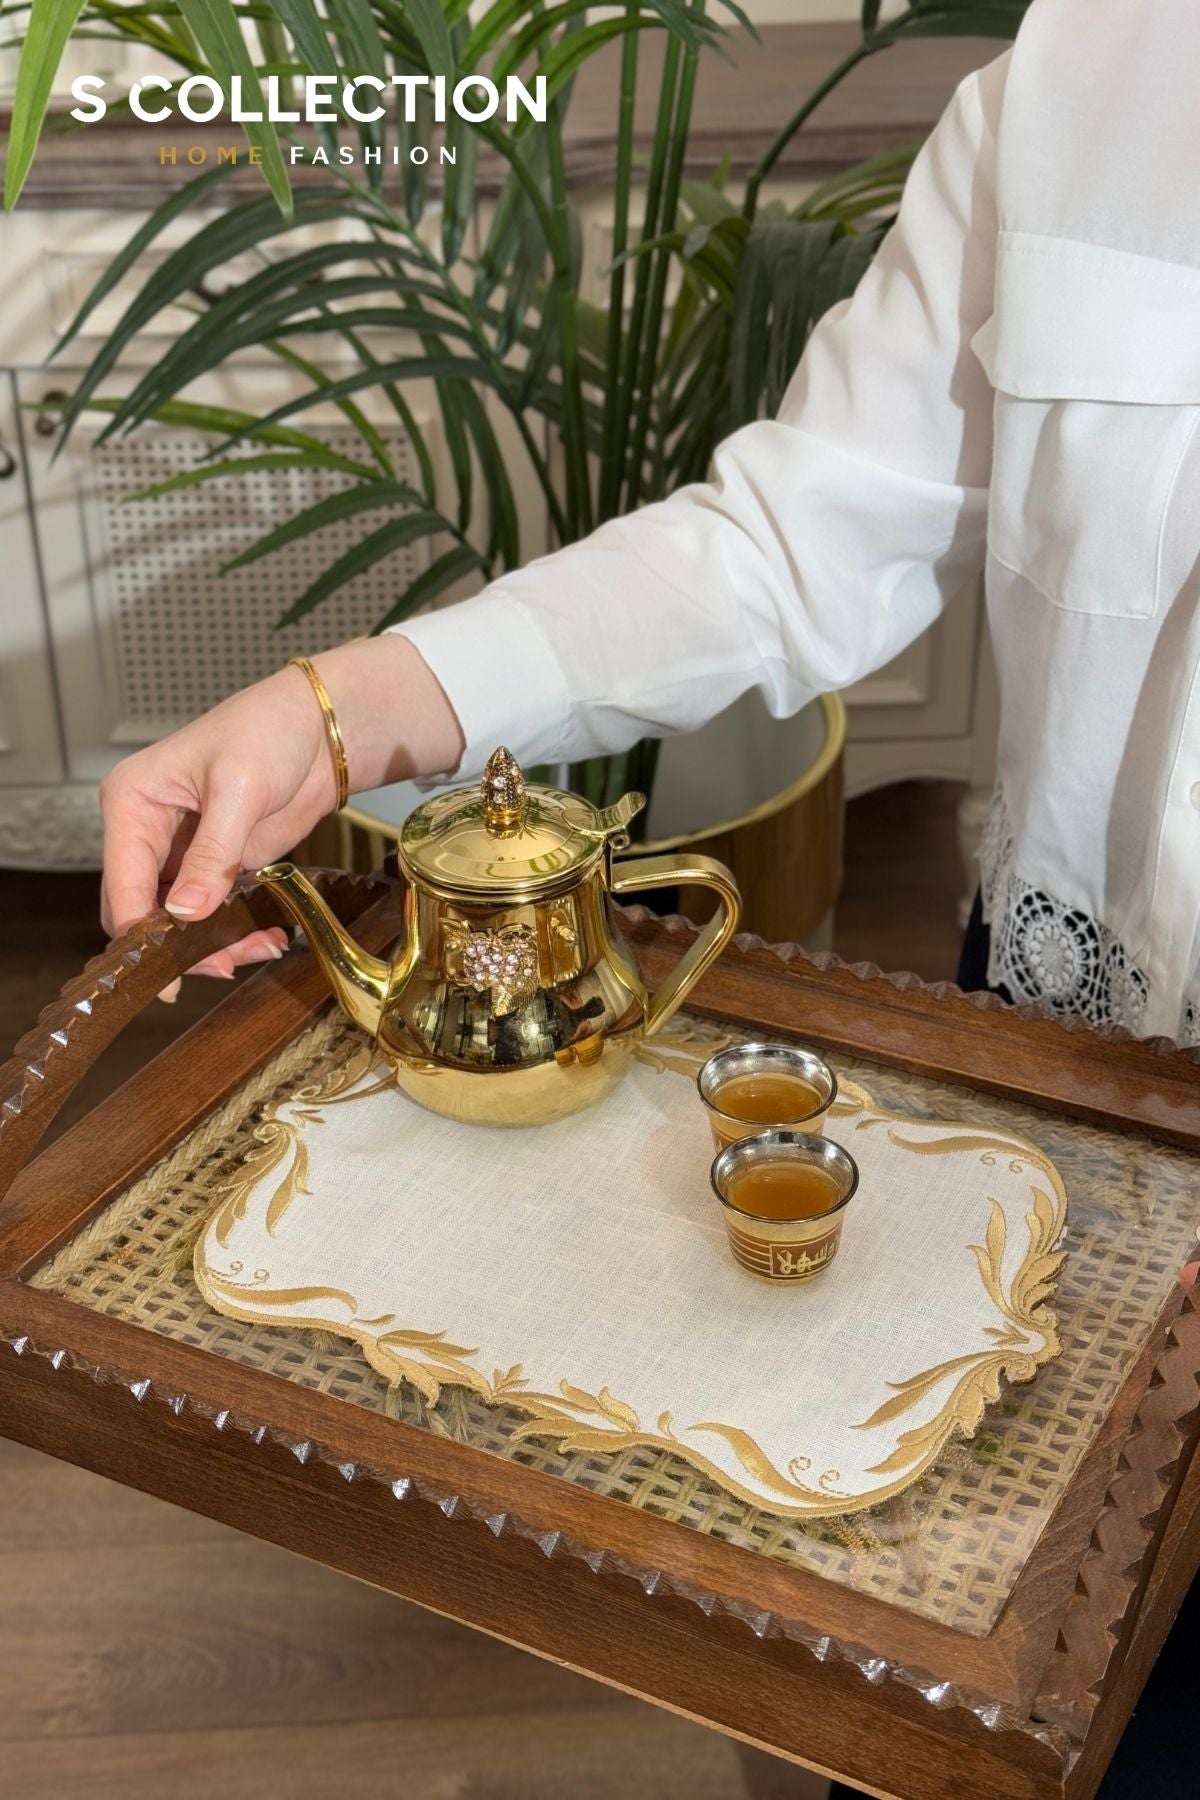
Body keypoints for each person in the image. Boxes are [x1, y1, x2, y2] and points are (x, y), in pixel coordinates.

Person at [93, 4, 1197, 1784]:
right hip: (1075, 1040)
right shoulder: (1096, 70)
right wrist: (343, 710)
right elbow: (796, 536)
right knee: (956, 1678)